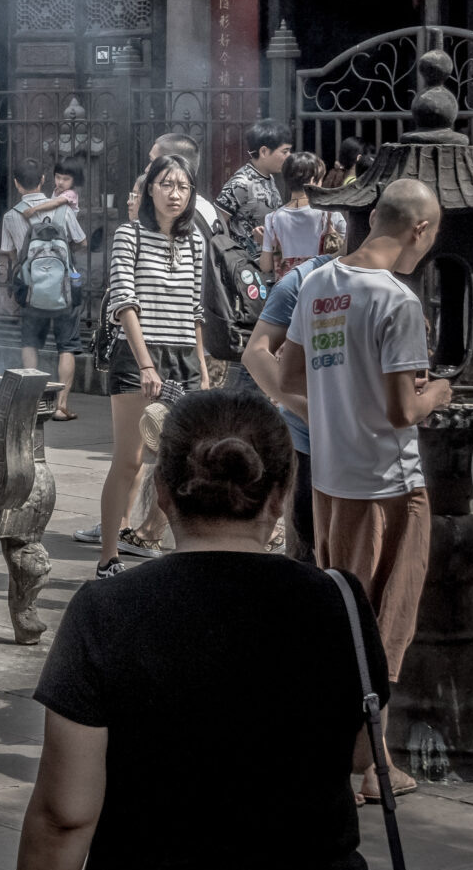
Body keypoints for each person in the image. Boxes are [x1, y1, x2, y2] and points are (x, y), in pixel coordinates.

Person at [10, 386, 383, 870]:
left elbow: (65, 813)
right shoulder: (340, 602)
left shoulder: (106, 610)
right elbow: (362, 753)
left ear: (162, 491)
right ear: (280, 493)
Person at [281, 176, 447, 798]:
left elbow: (289, 376)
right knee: (384, 624)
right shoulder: (397, 302)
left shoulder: (318, 282)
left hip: (330, 478)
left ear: (375, 215)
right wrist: (439, 392)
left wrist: (337, 406)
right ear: (419, 229)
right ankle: (368, 763)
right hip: (388, 485)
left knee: (342, 618)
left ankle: (352, 754)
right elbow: (404, 410)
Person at [92, 155, 208, 575]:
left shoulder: (196, 241)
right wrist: (145, 365)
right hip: (138, 355)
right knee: (130, 459)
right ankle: (109, 557)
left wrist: (203, 370)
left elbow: (196, 310)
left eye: (183, 186)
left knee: (184, 460)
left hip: (184, 357)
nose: (175, 194)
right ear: (149, 190)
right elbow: (125, 300)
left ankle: (184, 552)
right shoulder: (130, 234)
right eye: (166, 184)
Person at [241, 252, 333, 560]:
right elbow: (256, 354)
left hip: (376, 454)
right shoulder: (303, 280)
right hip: (308, 448)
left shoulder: (404, 276)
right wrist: (310, 412)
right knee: (307, 552)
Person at [0, 157, 87, 422]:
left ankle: (33, 403)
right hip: (64, 292)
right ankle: (61, 406)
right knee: (67, 346)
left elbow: (10, 254)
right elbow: (82, 242)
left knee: (30, 343)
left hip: (30, 291)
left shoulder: (10, 216)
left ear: (16, 183)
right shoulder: (64, 210)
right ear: (43, 180)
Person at [261, 151, 347, 279]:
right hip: (320, 287)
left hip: (287, 288)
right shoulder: (330, 214)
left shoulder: (272, 219)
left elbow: (266, 266)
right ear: (312, 180)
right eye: (320, 179)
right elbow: (348, 251)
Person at [216, 120, 294, 248]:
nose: (289, 156)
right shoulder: (241, 183)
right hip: (246, 259)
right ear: (264, 152)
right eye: (284, 152)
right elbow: (216, 223)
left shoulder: (269, 178)